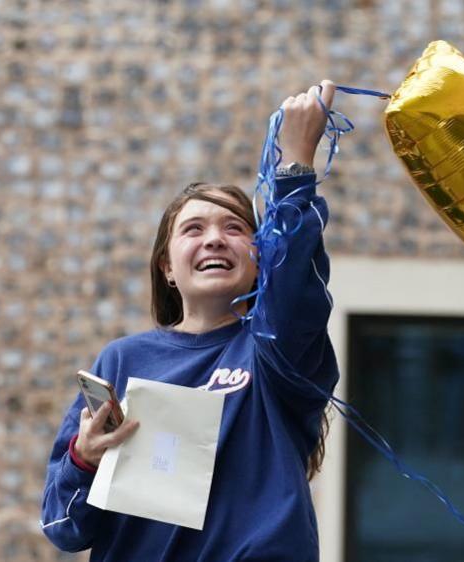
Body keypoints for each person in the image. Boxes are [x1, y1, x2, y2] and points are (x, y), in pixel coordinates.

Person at [41, 80, 340, 561]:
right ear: (167, 266)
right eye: (194, 229)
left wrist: (297, 164)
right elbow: (64, 527)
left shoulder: (276, 349)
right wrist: (84, 459)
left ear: (261, 259)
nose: (215, 239)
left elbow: (297, 284)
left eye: (235, 228)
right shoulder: (122, 361)